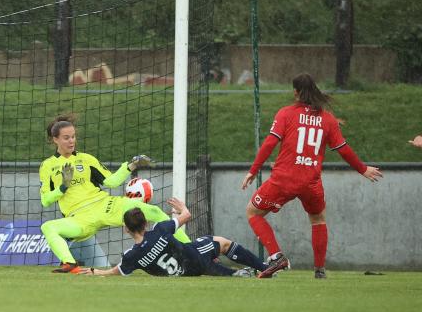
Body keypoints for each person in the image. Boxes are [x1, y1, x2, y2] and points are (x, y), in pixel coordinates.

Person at [242, 73, 383, 279]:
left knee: (253, 212)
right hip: (311, 182)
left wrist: (253, 171)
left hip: (284, 180)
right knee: (318, 219)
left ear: (296, 92)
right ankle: (319, 270)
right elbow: (343, 149)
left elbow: (270, 143)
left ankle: (276, 256)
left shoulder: (286, 113)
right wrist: (362, 169)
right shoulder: (328, 119)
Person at [39, 114, 191, 274]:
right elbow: (45, 200)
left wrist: (132, 165)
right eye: (66, 138)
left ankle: (193, 248)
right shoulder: (48, 165)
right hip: (78, 218)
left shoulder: (86, 159)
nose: (71, 141)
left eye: (73, 137)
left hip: (105, 205)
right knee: (48, 227)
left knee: (155, 212)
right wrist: (63, 187)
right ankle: (69, 263)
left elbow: (111, 181)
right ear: (55, 139)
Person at [79, 197, 268, 277]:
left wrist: (97, 272)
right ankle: (264, 268)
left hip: (186, 272)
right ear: (145, 223)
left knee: (217, 268)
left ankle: (236, 273)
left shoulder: (131, 256)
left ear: (126, 230)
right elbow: (186, 216)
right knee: (221, 242)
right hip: (195, 257)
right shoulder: (160, 229)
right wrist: (181, 207)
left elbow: (117, 271)